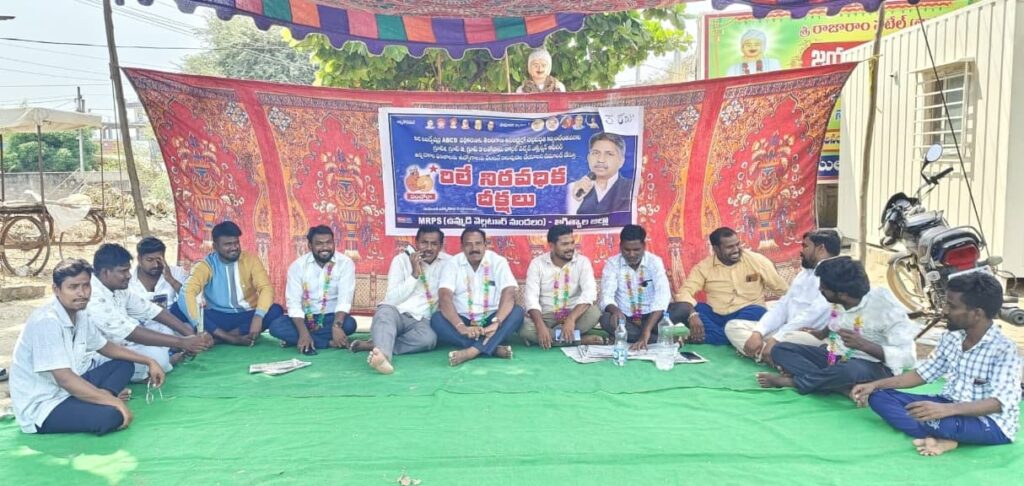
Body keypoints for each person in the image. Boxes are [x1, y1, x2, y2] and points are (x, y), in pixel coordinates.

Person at [852, 272, 1022, 456]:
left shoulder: (1003, 350)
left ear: (977, 313)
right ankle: (941, 436)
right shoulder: (952, 337)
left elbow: (999, 403)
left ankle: (941, 433)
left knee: (940, 421)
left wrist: (946, 410)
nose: (945, 311)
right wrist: (875, 385)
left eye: (952, 306)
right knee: (880, 397)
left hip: (988, 422)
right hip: (948, 404)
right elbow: (922, 374)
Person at [10, 259, 167, 435]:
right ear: (56, 290)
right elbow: (64, 379)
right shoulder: (46, 321)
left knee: (124, 363)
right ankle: (102, 400)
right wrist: (114, 401)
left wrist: (149, 361)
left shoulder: (80, 313)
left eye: (86, 285)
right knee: (112, 416)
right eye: (73, 287)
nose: (81, 293)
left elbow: (105, 346)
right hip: (45, 404)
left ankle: (98, 398)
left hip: (68, 390)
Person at [756, 257, 918, 395]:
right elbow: (838, 320)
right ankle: (836, 386)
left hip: (873, 365)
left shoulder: (887, 309)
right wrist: (821, 333)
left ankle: (796, 382)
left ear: (843, 294)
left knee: (848, 370)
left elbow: (908, 358)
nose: (820, 289)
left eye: (824, 288)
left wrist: (864, 345)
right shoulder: (840, 301)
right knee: (781, 349)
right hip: (835, 356)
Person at [87, 243, 212, 382]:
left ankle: (168, 356)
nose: (129, 275)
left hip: (126, 343)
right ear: (106, 272)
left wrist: (192, 336)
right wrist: (182, 342)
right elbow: (130, 333)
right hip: (98, 356)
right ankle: (168, 359)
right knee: (158, 360)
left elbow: (152, 311)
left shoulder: (118, 288)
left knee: (164, 333)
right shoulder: (93, 296)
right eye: (123, 271)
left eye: (128, 270)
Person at [724, 230, 841, 363]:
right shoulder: (805, 273)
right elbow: (782, 306)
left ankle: (772, 356)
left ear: (821, 249)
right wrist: (758, 333)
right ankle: (773, 357)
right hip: (786, 330)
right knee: (733, 326)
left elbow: (813, 316)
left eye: (805, 246)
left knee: (788, 339)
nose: (801, 251)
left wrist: (777, 338)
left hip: (810, 335)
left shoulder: (834, 275)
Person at [350, 225, 450, 374]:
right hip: (396, 312)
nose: (428, 248)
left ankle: (378, 345)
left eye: (434, 244)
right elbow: (391, 298)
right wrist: (414, 274)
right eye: (424, 243)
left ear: (441, 246)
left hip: (422, 319)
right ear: (416, 243)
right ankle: (384, 358)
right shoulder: (401, 261)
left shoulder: (449, 263)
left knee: (429, 340)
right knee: (384, 313)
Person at [171, 221, 289, 346]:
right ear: (215, 246)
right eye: (227, 244)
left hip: (247, 315)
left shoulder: (251, 260)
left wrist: (258, 317)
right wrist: (200, 324)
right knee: (177, 308)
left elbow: (266, 288)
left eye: (236, 243)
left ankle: (219, 338)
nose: (234, 248)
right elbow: (186, 292)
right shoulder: (205, 265)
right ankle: (230, 338)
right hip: (218, 317)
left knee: (275, 310)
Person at [669, 227, 789, 345]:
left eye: (737, 244)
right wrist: (692, 314)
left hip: (748, 312)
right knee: (695, 308)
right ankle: (724, 336)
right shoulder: (703, 267)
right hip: (717, 316)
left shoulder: (757, 261)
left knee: (758, 312)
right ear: (716, 249)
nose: (736, 250)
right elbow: (685, 292)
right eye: (730, 247)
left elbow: (783, 289)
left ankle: (698, 337)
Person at [430, 227, 524, 366]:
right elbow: (444, 297)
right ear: (462, 247)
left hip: (492, 319)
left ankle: (471, 351)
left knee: (517, 312)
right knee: (437, 319)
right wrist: (461, 327)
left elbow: (509, 292)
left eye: (478, 243)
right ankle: (492, 348)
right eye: (468, 244)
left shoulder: (498, 262)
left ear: (485, 245)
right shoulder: (453, 264)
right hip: (463, 320)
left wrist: (496, 322)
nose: (474, 248)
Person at [268, 225, 357, 355]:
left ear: (334, 243)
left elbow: (345, 299)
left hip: (331, 317)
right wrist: (303, 332)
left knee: (349, 324)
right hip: (305, 318)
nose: (325, 248)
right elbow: (294, 304)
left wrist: (336, 326)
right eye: (319, 244)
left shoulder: (345, 263)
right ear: (310, 246)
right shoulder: (298, 266)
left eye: (328, 242)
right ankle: (327, 342)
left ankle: (297, 339)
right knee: (276, 327)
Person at [520, 225, 602, 348]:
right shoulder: (537, 264)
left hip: (574, 314)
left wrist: (571, 319)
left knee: (594, 313)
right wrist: (540, 326)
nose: (570, 248)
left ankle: (547, 338)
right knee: (522, 326)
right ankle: (579, 340)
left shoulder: (582, 262)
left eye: (572, 243)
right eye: (564, 244)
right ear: (551, 246)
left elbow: (589, 293)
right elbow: (531, 298)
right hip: (546, 316)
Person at [598, 225, 671, 350]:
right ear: (620, 246)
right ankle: (657, 339)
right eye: (627, 250)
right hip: (625, 318)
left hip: (652, 317)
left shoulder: (654, 262)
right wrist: (615, 311)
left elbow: (663, 296)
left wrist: (647, 329)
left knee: (681, 309)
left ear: (644, 246)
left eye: (636, 250)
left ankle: (641, 336)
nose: (631, 254)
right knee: (606, 319)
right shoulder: (612, 263)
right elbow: (606, 296)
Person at [570, 132, 634, 215]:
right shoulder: (575, 189)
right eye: (596, 153)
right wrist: (576, 199)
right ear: (588, 158)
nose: (600, 160)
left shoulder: (632, 188)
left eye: (609, 154)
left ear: (621, 161)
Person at [129, 236, 188, 310]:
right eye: (150, 260)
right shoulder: (127, 279)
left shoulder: (176, 272)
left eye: (159, 259)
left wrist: (171, 280)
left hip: (171, 316)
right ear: (139, 259)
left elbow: (191, 299)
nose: (156, 265)